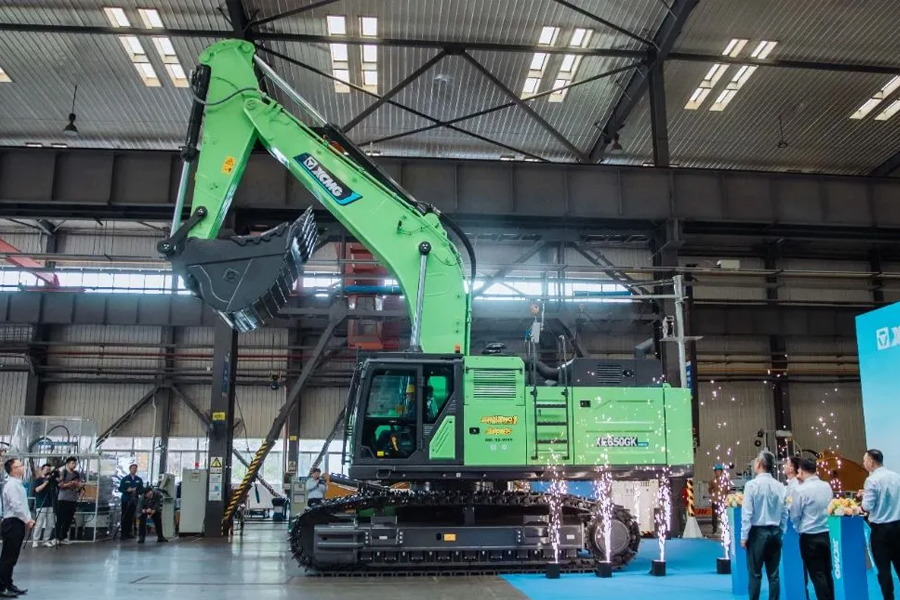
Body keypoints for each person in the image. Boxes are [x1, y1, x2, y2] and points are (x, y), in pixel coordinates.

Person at [741, 450, 788, 600]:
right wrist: (781, 530)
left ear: (759, 464)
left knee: (755, 573)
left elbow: (747, 513)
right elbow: (784, 512)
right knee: (774, 574)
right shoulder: (780, 486)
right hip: (775, 531)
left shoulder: (751, 485)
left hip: (757, 532)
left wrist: (744, 536)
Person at [857, 449, 900, 600]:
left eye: (864, 460)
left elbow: (867, 507)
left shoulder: (871, 480)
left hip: (881, 530)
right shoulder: (895, 476)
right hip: (897, 526)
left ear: (871, 462)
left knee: (884, 569)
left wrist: (859, 506)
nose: (863, 464)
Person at [790, 458, 835, 600]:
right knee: (827, 571)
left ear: (801, 471)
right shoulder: (826, 486)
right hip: (826, 533)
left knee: (817, 574)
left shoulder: (800, 490)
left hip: (809, 535)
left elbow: (795, 514)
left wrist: (798, 527)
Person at [1, 458, 34, 597]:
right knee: (8, 557)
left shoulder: (18, 484)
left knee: (12, 557)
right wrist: (27, 520)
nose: (22, 467)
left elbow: (23, 505)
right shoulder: (12, 485)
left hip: (18, 522)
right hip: (12, 522)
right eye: (20, 465)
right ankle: (2, 586)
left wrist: (28, 519)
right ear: (13, 470)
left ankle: (9, 583)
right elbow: (16, 506)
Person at [54, 457, 83, 544]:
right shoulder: (63, 472)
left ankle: (64, 536)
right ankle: (56, 537)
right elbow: (60, 485)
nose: (74, 465)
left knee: (69, 519)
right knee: (60, 519)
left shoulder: (77, 474)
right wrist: (68, 484)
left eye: (75, 463)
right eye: (72, 463)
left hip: (73, 499)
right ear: (68, 464)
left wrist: (77, 484)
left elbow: (80, 485)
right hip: (63, 499)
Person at [31, 463, 56, 548]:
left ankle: (46, 540)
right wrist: (46, 482)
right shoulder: (38, 480)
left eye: (49, 470)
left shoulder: (51, 480)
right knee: (39, 523)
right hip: (41, 504)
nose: (48, 471)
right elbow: (37, 490)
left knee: (50, 523)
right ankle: (35, 540)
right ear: (42, 470)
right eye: (47, 469)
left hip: (50, 503)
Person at [118, 463, 143, 540]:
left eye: (135, 468)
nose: (134, 470)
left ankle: (130, 532)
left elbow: (141, 490)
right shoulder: (125, 479)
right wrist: (127, 490)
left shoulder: (139, 480)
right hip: (126, 499)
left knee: (132, 516)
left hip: (134, 500)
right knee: (125, 515)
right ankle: (123, 533)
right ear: (130, 469)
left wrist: (136, 491)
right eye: (133, 468)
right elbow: (120, 489)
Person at [708, 465, 725, 535]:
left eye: (719, 471)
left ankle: (724, 529)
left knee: (724, 515)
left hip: (723, 501)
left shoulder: (725, 480)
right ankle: (714, 529)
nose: (717, 472)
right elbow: (709, 490)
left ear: (721, 472)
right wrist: (713, 494)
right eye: (716, 471)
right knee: (714, 516)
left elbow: (728, 490)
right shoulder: (712, 481)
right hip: (715, 501)